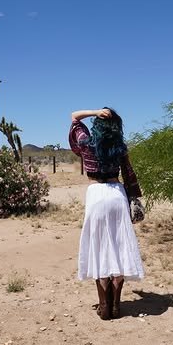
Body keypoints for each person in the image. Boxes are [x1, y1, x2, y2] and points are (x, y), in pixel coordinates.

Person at [69, 107, 145, 320]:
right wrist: (134, 199)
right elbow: (129, 174)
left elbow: (74, 117)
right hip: (117, 195)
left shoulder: (86, 143)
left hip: (96, 196)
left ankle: (104, 307)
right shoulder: (119, 147)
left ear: (98, 124)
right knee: (119, 247)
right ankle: (116, 307)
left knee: (99, 247)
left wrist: (95, 112)